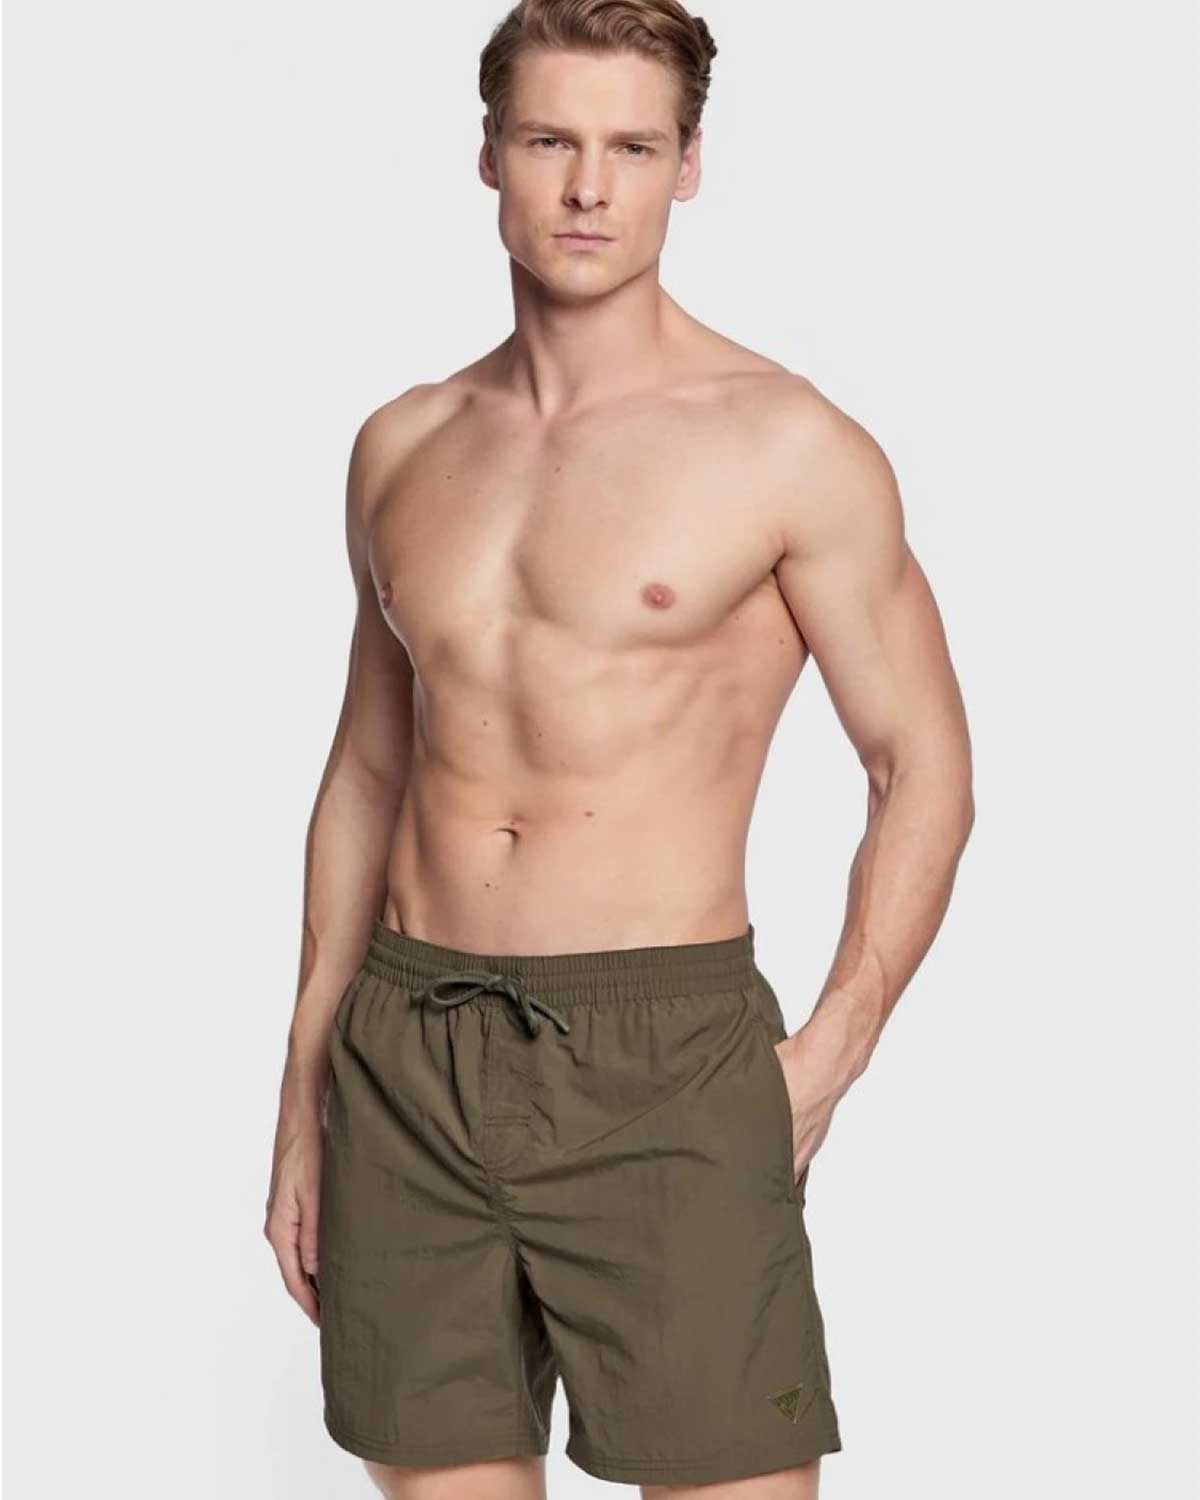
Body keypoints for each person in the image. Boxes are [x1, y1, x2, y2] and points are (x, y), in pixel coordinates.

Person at [264, 2, 975, 1495]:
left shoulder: (787, 445)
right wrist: (304, 1092)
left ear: (687, 166)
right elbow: (369, 773)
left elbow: (921, 765)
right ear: (489, 155)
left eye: (634, 148)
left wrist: (829, 1054)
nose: (590, 187)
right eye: (551, 140)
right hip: (408, 1052)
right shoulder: (404, 444)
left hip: (666, 1057)